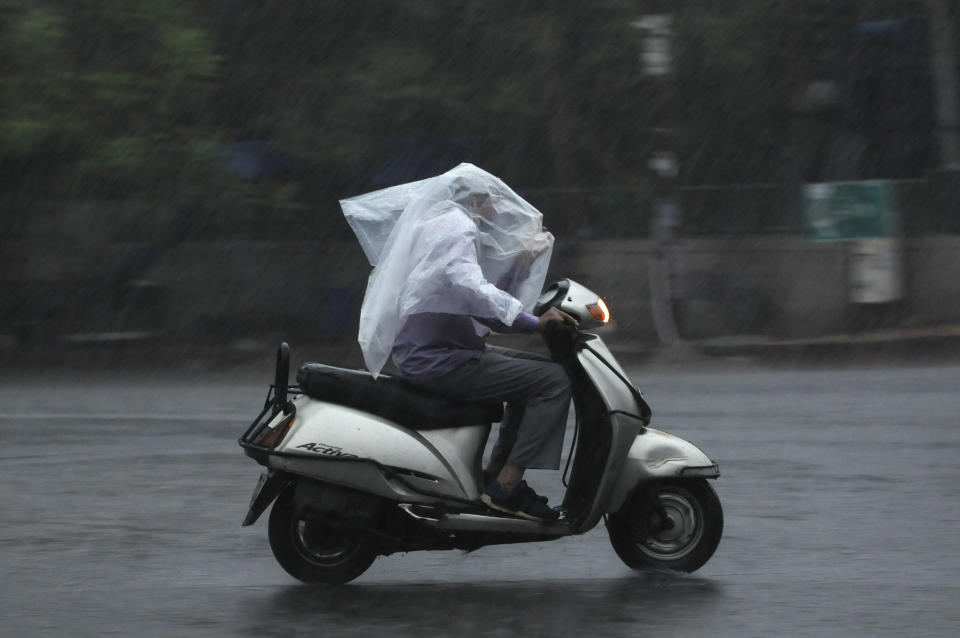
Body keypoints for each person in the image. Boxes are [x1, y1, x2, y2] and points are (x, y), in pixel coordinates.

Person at [340, 163, 576, 521]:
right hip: (439, 359)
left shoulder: (439, 226)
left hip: (435, 353)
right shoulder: (457, 226)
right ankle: (508, 485)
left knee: (537, 375)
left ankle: (495, 473)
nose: (498, 208)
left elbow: (478, 303)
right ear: (477, 199)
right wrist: (533, 320)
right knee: (554, 380)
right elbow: (470, 287)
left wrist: (524, 271)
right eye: (493, 199)